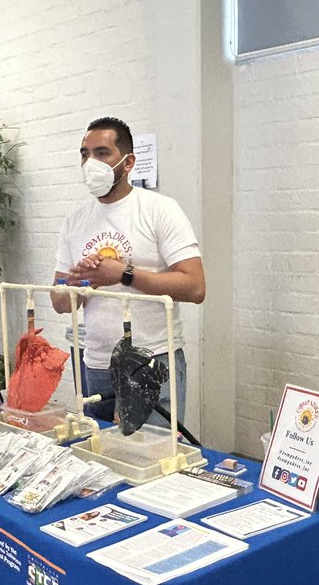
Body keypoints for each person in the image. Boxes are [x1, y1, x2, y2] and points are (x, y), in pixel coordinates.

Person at [51, 116, 205, 424]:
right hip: (96, 364)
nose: (90, 163)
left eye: (102, 153)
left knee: (152, 450)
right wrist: (83, 280)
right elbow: (58, 301)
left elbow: (195, 287)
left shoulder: (159, 209)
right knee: (101, 450)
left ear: (128, 162)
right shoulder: (75, 221)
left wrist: (123, 274)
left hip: (150, 361)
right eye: (85, 154)